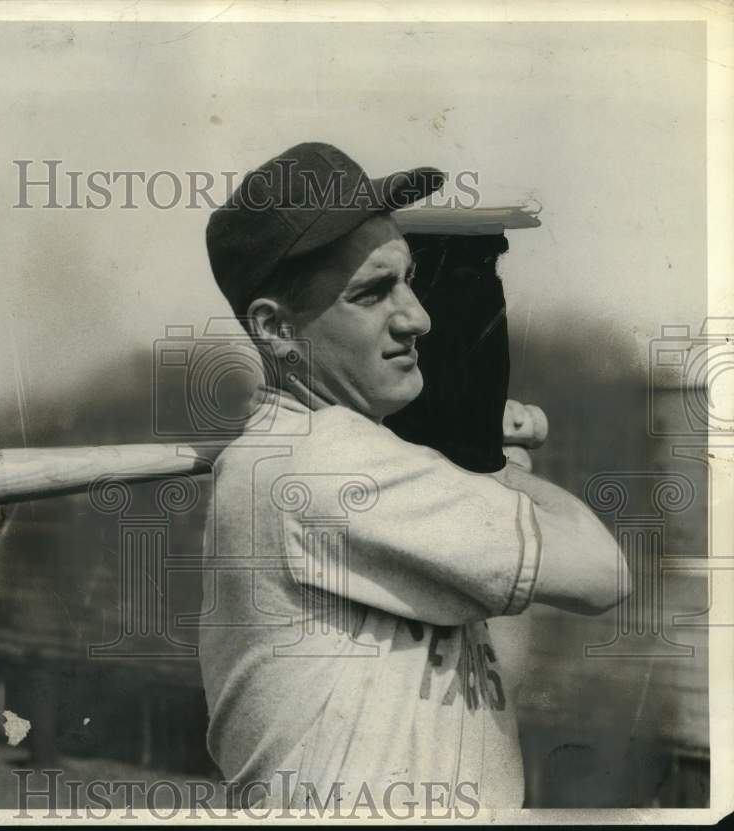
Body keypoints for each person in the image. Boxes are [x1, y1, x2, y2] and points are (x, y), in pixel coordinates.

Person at [198, 142, 630, 813]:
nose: (419, 318)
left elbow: (486, 683)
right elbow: (603, 572)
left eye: (409, 280)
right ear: (275, 328)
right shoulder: (324, 462)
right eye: (372, 292)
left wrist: (483, 465)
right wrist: (488, 462)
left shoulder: (326, 459)